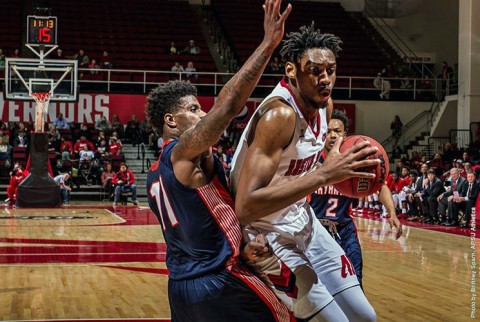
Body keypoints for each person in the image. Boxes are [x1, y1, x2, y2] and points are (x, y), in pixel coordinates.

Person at [146, 1, 293, 320]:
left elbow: (197, 232)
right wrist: (268, 45)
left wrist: (240, 245)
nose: (202, 114)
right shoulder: (181, 153)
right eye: (194, 109)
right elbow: (227, 105)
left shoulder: (155, 171)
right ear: (171, 121)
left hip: (181, 288)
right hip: (220, 281)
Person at [230, 23, 378, 321]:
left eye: (331, 70)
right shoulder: (279, 116)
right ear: (291, 71)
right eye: (314, 70)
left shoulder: (325, 106)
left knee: (365, 317)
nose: (325, 79)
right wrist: (324, 175)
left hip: (305, 222)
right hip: (265, 234)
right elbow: (244, 207)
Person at [308, 110, 402, 288]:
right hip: (316, 231)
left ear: (345, 134)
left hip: (344, 230)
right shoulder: (312, 160)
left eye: (337, 131)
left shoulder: (354, 160)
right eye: (328, 131)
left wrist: (392, 213)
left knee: (355, 282)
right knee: (319, 285)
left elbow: (380, 186)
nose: (333, 135)